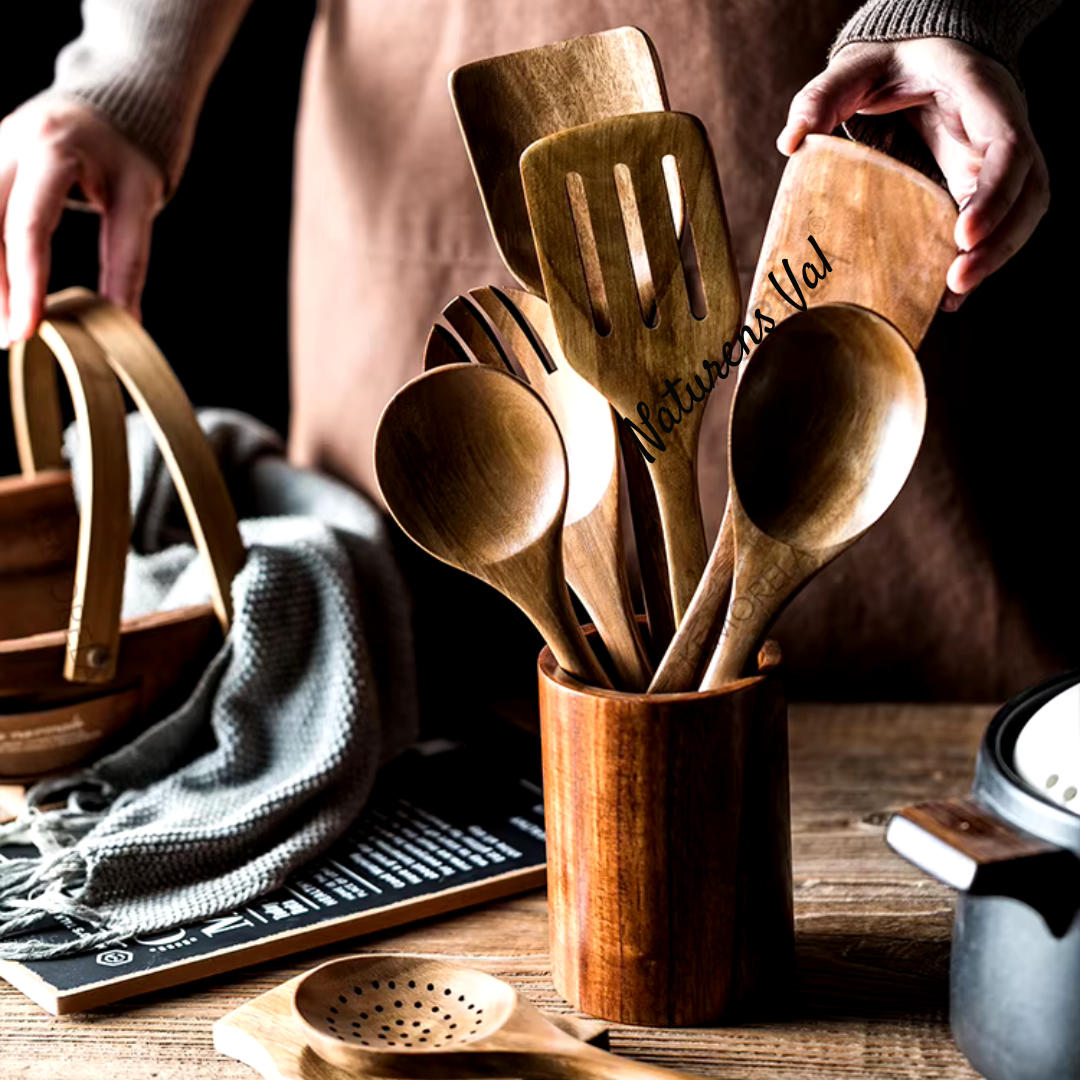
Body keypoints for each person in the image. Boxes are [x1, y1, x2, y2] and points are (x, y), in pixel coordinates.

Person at [0, 1, 1068, 703]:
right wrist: (130, 73)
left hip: (846, 116)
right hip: (422, 144)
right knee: (409, 708)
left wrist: (950, 1)